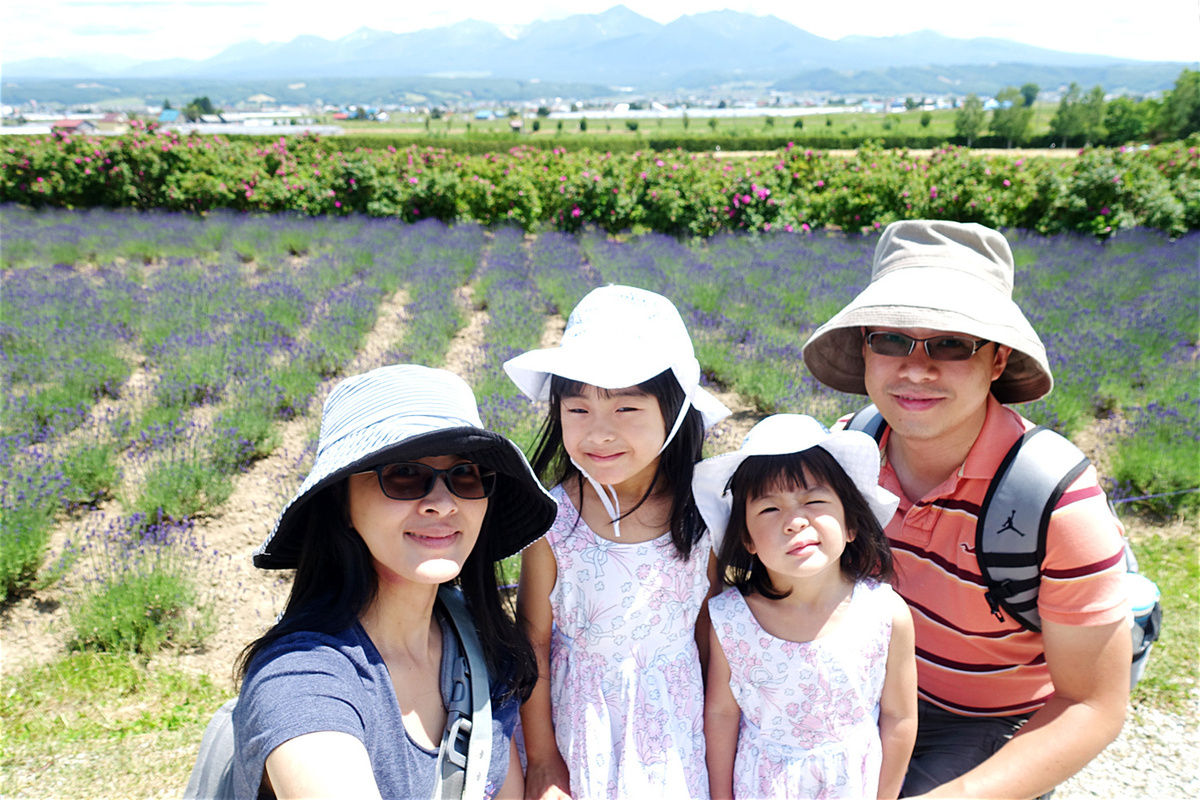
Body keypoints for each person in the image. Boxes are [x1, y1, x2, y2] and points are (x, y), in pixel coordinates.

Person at [801, 220, 1130, 799]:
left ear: (998, 361)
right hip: (863, 693)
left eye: (952, 344)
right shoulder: (845, 451)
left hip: (986, 724)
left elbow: (1093, 705)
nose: (916, 369)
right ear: (865, 348)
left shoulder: (1055, 502)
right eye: (892, 340)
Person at [231, 364, 556, 800]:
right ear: (342, 503)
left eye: (464, 474)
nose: (442, 503)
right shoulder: (303, 678)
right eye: (404, 474)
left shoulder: (480, 645)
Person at [503, 285, 731, 800]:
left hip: (673, 730)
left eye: (626, 410)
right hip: (579, 725)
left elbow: (708, 632)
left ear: (675, 414)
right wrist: (541, 759)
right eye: (577, 410)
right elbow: (534, 641)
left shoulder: (702, 515)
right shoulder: (551, 520)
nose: (598, 434)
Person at [695, 414, 917, 800]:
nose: (795, 522)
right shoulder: (731, 619)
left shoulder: (885, 613)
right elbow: (722, 714)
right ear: (746, 538)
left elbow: (899, 717)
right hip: (761, 786)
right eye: (769, 509)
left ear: (851, 526)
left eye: (814, 501)